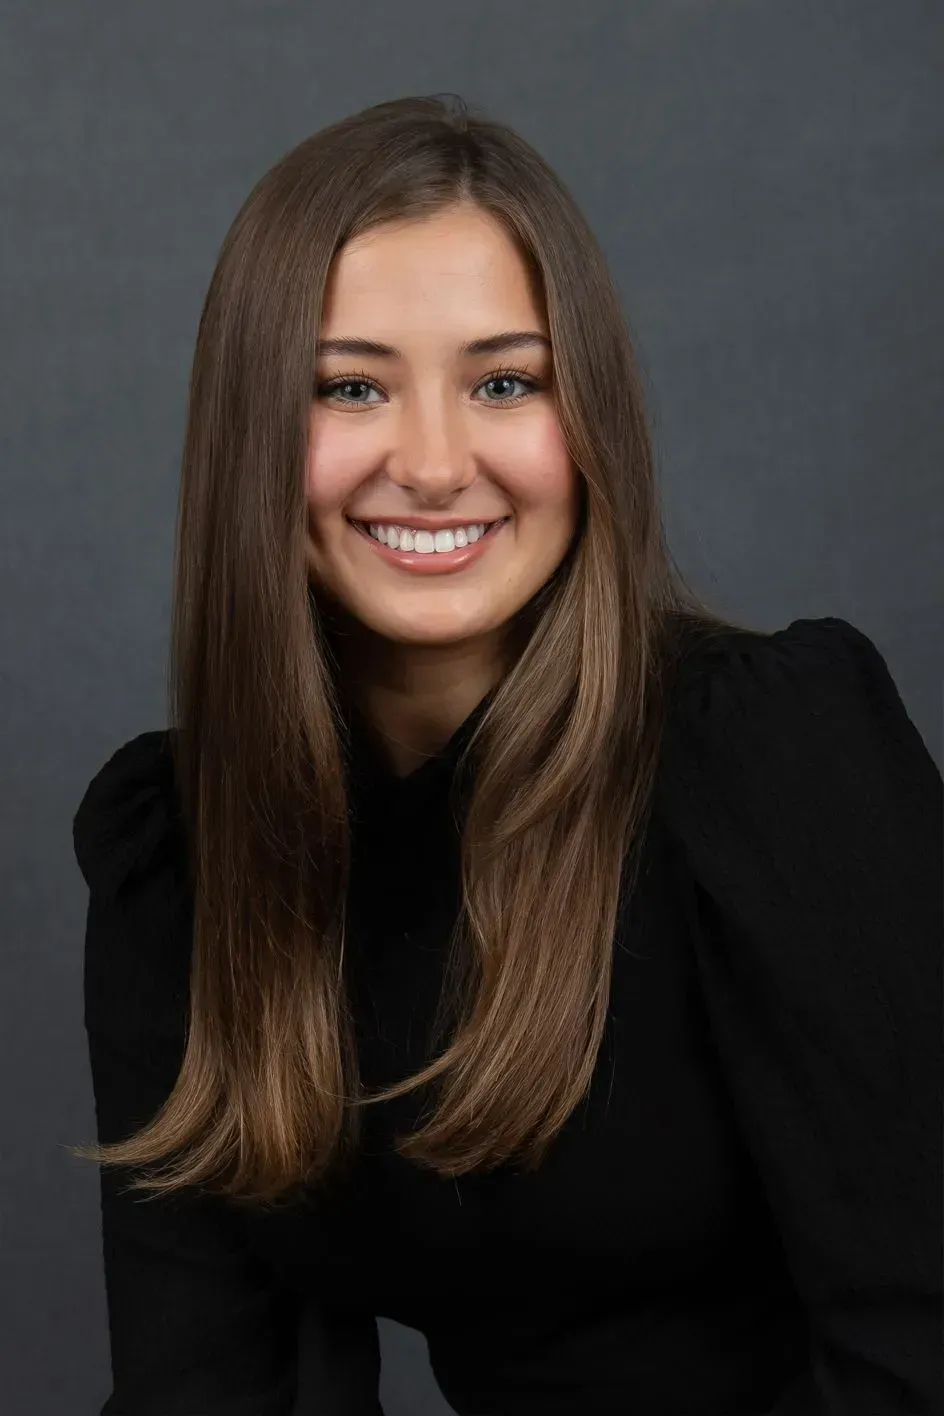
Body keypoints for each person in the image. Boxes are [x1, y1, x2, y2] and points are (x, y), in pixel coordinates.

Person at [69, 95, 942, 1416]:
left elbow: (920, 1342)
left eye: (503, 382)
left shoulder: (768, 755)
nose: (432, 463)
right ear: (254, 434)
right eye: (350, 385)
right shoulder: (185, 851)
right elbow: (209, 1380)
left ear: (585, 418)